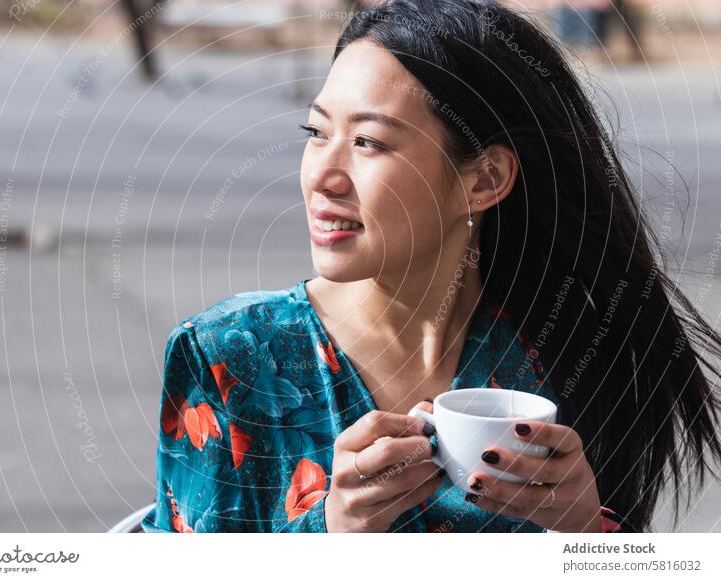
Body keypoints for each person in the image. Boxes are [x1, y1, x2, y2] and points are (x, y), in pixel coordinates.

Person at [142, 0, 721, 533]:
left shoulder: (566, 350)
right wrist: (327, 535)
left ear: (483, 179)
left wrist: (586, 536)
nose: (323, 176)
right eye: (316, 133)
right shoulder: (230, 359)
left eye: (368, 142)